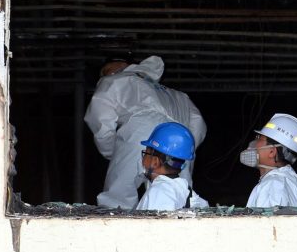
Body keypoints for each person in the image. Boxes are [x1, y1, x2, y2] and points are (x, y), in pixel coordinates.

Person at [84, 54, 207, 209]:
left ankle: (113, 228)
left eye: (107, 71)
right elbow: (198, 123)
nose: (107, 74)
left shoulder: (112, 81)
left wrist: (112, 152)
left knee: (119, 195)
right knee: (178, 191)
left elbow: (101, 121)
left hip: (141, 129)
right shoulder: (176, 94)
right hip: (179, 138)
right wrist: (181, 148)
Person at [241, 113, 297, 208]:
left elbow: (271, 223)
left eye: (259, 138)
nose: (254, 143)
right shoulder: (293, 180)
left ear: (272, 151)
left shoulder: (273, 186)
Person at [136, 122, 209, 211]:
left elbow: (154, 224)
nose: (143, 158)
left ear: (155, 162)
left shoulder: (160, 193)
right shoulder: (184, 190)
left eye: (146, 153)